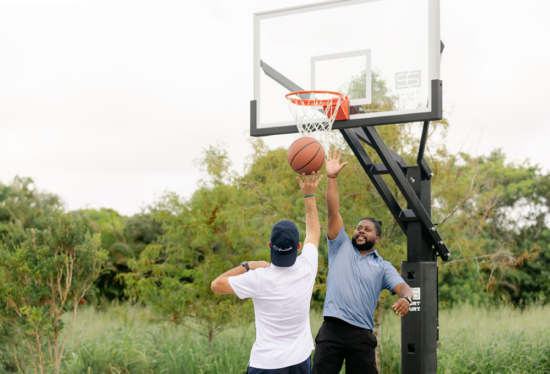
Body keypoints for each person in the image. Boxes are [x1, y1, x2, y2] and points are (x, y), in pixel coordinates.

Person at [211, 171, 323, 374]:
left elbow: (216, 285)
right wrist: (309, 194)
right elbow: (314, 231)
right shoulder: (307, 267)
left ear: (270, 245)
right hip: (300, 361)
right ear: (298, 246)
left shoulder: (257, 278)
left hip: (266, 364)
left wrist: (248, 265)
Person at [312, 150, 413, 374]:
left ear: (376, 239)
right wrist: (332, 178)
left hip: (361, 334)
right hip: (332, 329)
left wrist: (405, 298)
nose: (360, 231)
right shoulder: (340, 245)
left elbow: (404, 288)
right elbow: (332, 211)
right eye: (359, 227)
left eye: (367, 230)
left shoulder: (383, 266)